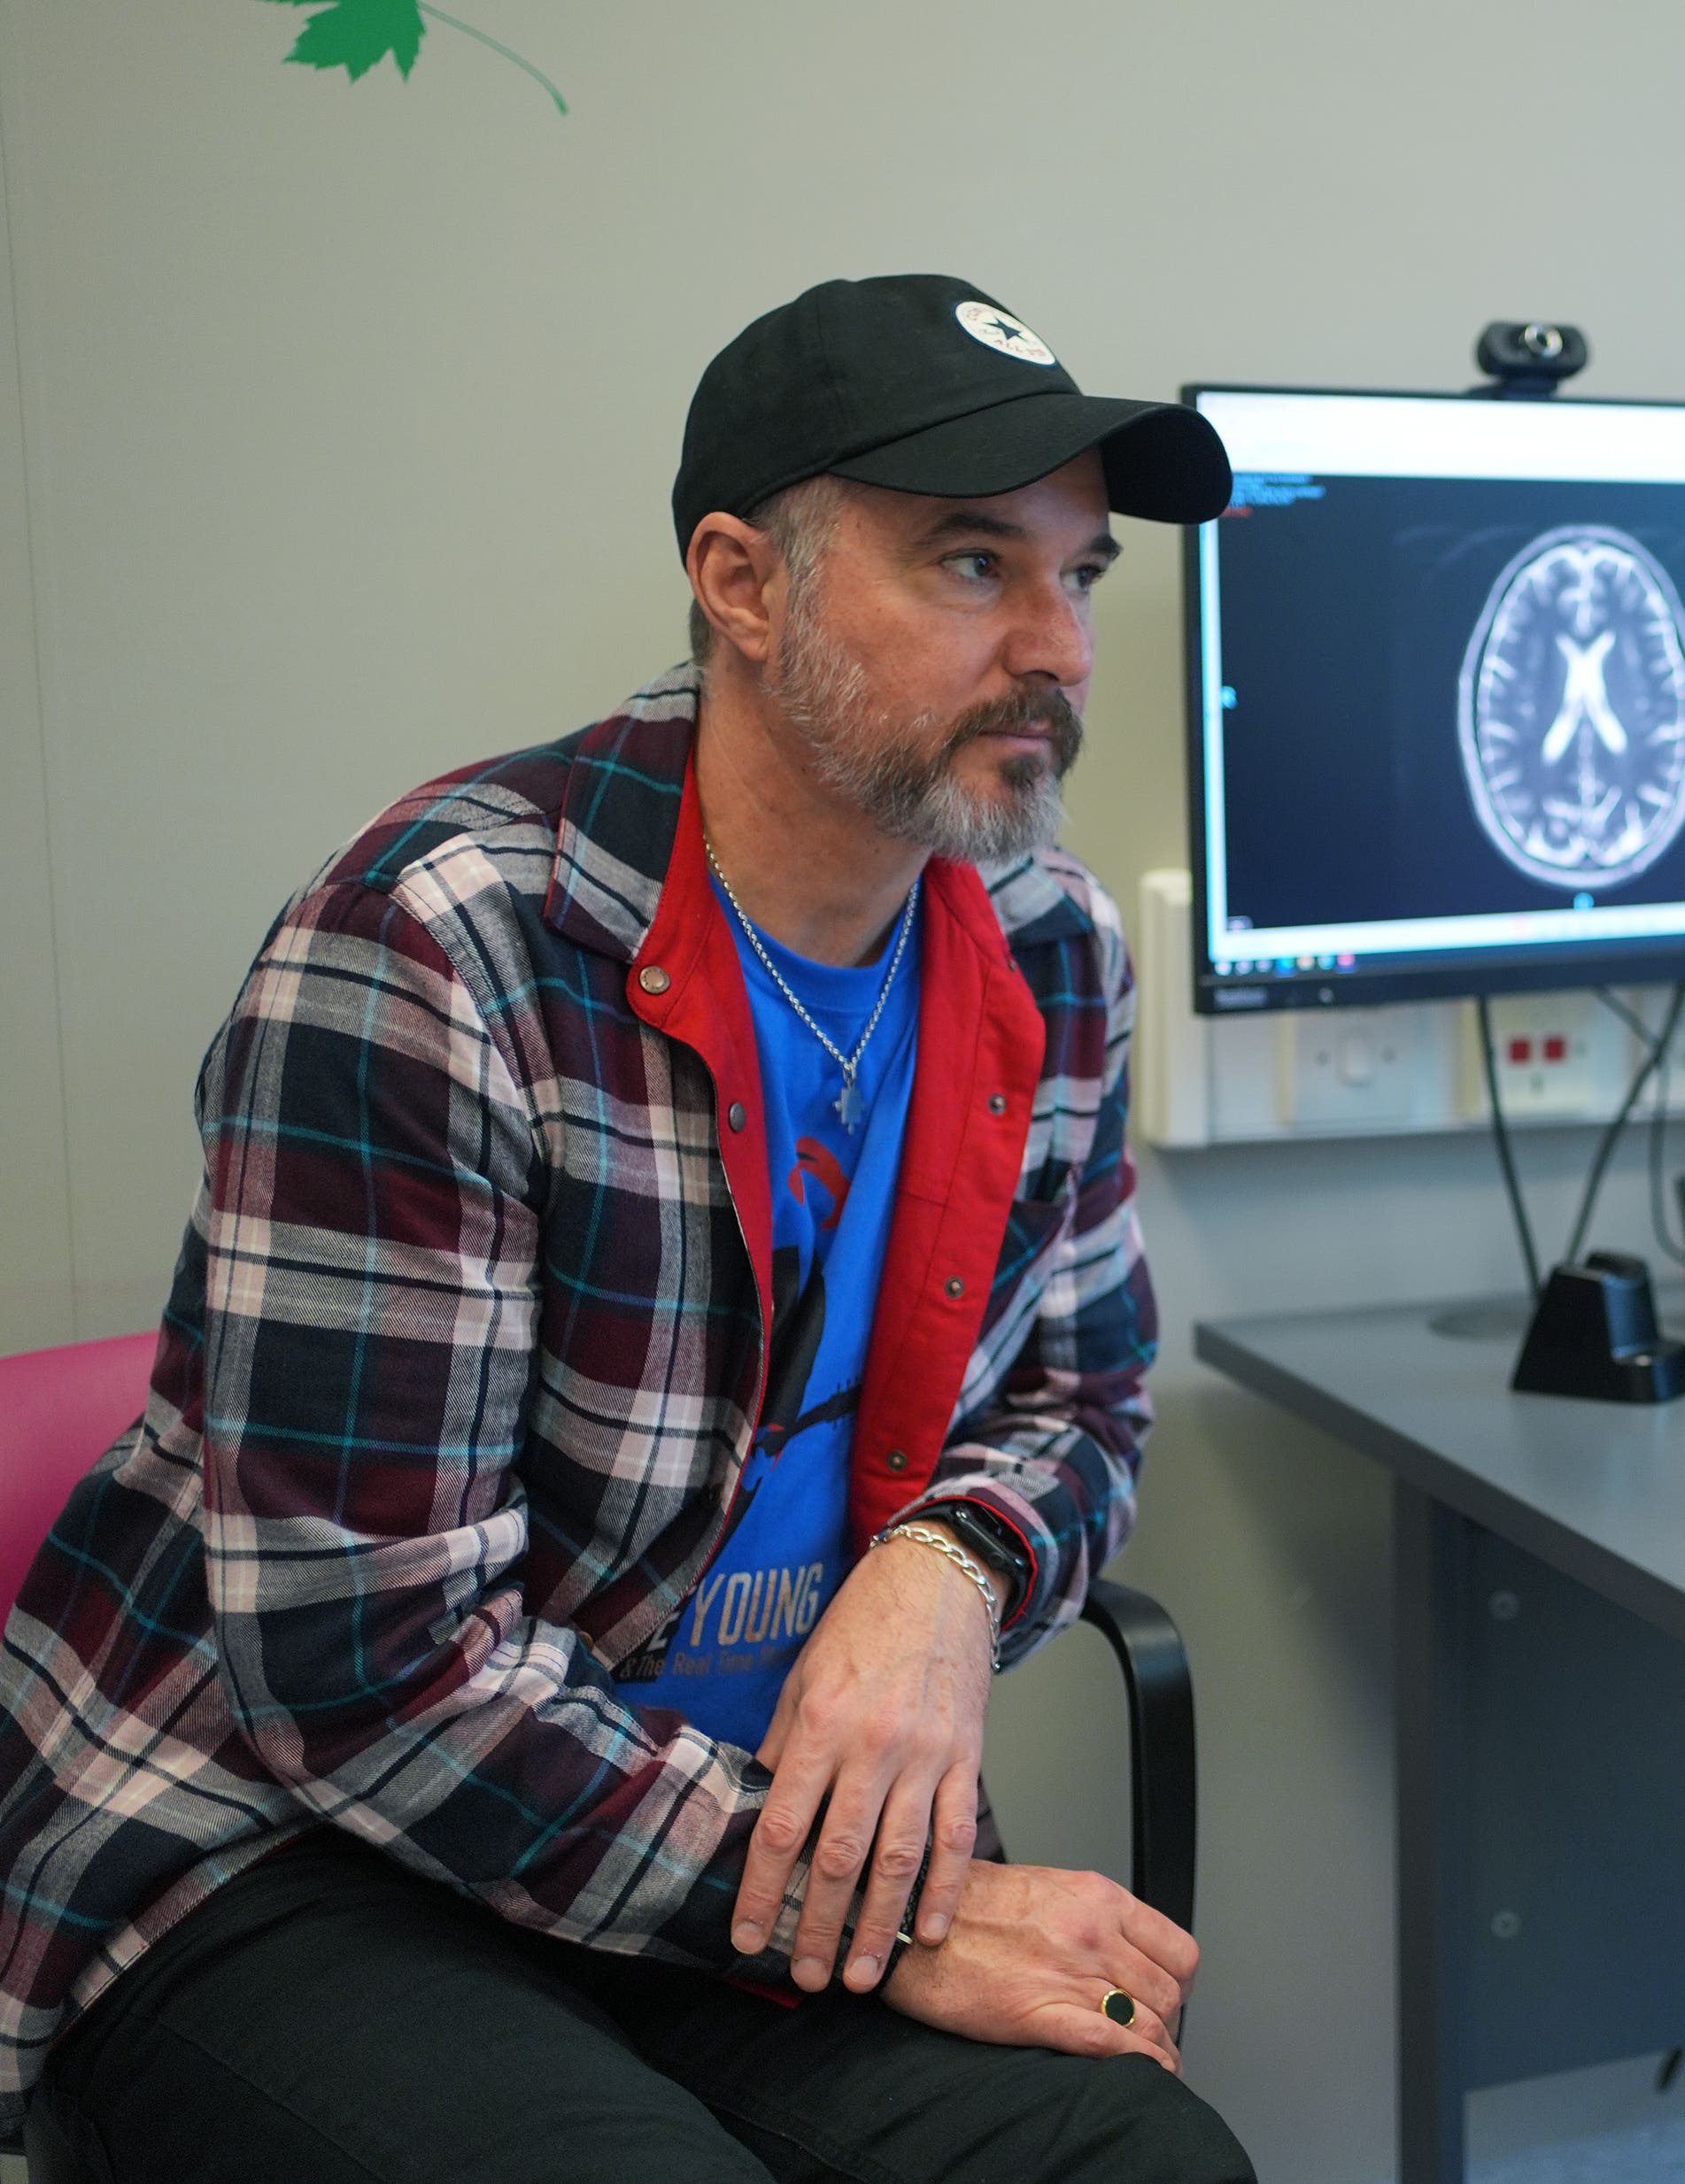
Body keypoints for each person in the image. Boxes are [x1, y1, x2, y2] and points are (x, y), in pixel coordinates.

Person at [0, 274, 1256, 2184]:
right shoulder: (438, 949)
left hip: (739, 1838)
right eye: (971, 566)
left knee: (1143, 2159)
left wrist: (947, 1571)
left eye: (1078, 576)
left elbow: (1084, 1401)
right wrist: (890, 1916)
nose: (1057, 649)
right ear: (742, 584)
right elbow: (363, 1674)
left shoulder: (1045, 944)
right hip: (294, 1847)